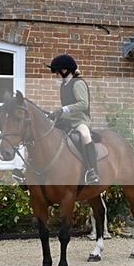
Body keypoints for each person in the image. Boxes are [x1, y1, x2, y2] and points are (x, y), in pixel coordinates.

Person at [46, 53, 99, 185]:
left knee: (85, 135)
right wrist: (55, 114)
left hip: (80, 120)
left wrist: (63, 109)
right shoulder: (63, 85)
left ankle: (92, 171)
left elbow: (83, 104)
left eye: (57, 72)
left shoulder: (78, 83)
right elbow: (65, 108)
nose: (56, 75)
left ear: (65, 70)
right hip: (67, 120)